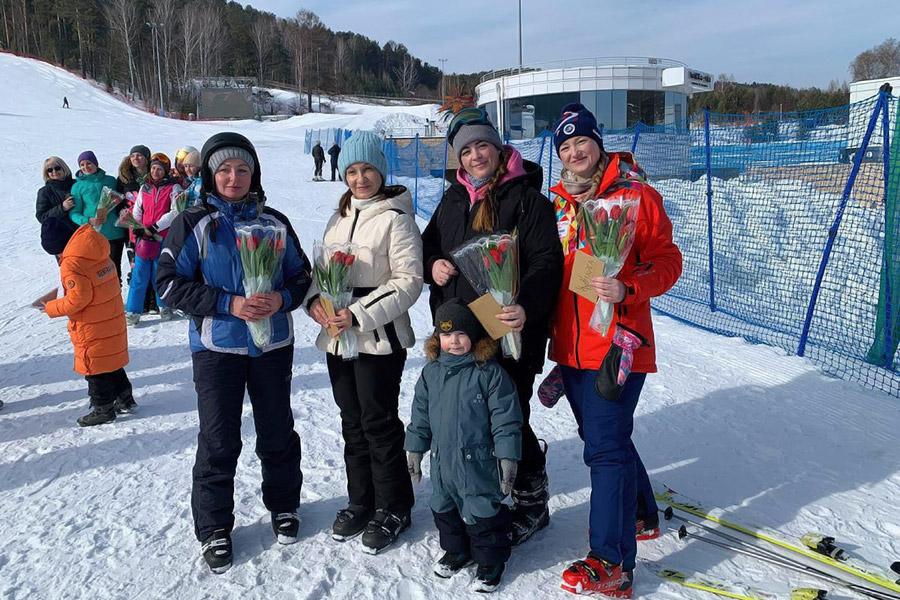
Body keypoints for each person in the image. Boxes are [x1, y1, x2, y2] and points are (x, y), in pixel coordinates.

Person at [157, 132, 311, 574]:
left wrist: (281, 300)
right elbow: (167, 285)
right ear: (210, 174)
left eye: (242, 169)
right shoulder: (194, 222)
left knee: (277, 431)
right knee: (220, 438)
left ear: (254, 174)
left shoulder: (276, 222)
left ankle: (284, 506)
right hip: (216, 348)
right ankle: (214, 528)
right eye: (224, 169)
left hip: (272, 345)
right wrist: (230, 303)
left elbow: (302, 276)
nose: (233, 177)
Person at [547, 103, 682, 598]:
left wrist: (629, 288)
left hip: (619, 346)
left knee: (603, 449)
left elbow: (668, 262)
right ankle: (644, 513)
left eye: (582, 141)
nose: (575, 151)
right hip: (573, 349)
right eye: (565, 146)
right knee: (605, 438)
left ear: (598, 143)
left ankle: (611, 562)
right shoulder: (558, 202)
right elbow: (559, 279)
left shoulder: (636, 197)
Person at [421, 108, 563, 546]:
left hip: (508, 330)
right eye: (466, 150)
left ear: (498, 148)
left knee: (508, 416)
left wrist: (525, 307)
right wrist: (433, 265)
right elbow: (428, 246)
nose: (475, 155)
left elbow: (547, 263)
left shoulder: (527, 200)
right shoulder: (452, 200)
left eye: (482, 145)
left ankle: (531, 500)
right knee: (470, 417)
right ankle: (484, 495)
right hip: (460, 333)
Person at [305, 130, 423, 553]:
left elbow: (409, 282)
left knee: (378, 423)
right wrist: (314, 304)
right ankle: (361, 499)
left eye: (368, 169)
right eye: (352, 171)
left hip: (379, 337)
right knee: (351, 423)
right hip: (337, 336)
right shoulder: (337, 219)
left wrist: (357, 313)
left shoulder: (396, 218)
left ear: (381, 171)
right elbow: (319, 276)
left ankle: (394, 505)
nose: (360, 178)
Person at [405, 299, 521, 593]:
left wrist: (508, 458)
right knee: (445, 507)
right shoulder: (430, 374)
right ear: (437, 338)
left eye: (460, 334)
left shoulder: (489, 374)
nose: (453, 342)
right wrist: (415, 449)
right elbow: (420, 416)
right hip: (443, 462)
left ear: (474, 336)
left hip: (478, 462)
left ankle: (489, 560)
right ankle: (457, 550)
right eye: (446, 335)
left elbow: (506, 420)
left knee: (482, 511)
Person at [39, 219, 136, 426]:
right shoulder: (95, 246)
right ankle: (125, 397)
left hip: (91, 324)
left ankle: (103, 409)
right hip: (109, 315)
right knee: (110, 359)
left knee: (94, 367)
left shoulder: (72, 262)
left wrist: (50, 307)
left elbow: (77, 300)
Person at [124, 153, 183, 325]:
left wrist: (155, 227)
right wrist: (139, 227)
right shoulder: (145, 187)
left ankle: (164, 305)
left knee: (161, 272)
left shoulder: (174, 188)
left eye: (160, 169)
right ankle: (133, 311)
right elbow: (137, 209)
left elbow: (175, 212)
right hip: (145, 237)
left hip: (163, 236)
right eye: (153, 168)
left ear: (165, 171)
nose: (156, 172)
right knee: (139, 273)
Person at [69, 151, 127, 283]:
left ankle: (116, 300)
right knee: (97, 271)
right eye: (82, 164)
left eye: (88, 163)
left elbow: (121, 202)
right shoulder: (78, 186)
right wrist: (88, 220)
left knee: (114, 268)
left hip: (114, 233)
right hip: (93, 234)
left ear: (95, 163)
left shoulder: (110, 181)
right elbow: (74, 213)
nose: (85, 167)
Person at [116, 144, 156, 312]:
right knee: (136, 265)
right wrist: (123, 214)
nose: (136, 158)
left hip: (152, 227)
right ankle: (142, 302)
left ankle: (155, 302)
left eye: (139, 155)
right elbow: (117, 200)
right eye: (133, 155)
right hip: (132, 230)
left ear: (146, 158)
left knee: (153, 263)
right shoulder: (124, 179)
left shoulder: (154, 176)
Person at [36, 157, 77, 232]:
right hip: (59, 234)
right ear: (47, 173)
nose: (54, 171)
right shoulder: (45, 192)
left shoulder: (78, 185)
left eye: (57, 168)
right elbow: (41, 217)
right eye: (50, 170)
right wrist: (62, 208)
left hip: (83, 230)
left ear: (64, 168)